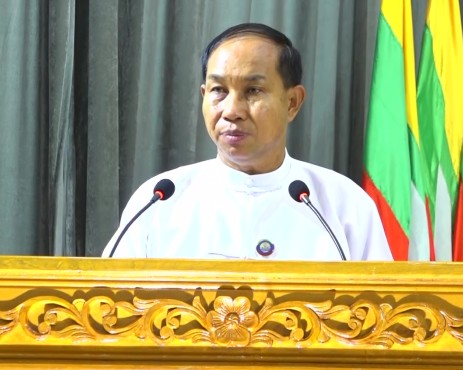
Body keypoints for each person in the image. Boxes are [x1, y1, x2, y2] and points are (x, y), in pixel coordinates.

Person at [103, 23, 392, 261]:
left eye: (253, 90)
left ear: (292, 102)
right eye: (218, 90)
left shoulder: (343, 206)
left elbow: (385, 308)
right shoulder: (158, 200)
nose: (231, 111)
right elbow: (107, 305)